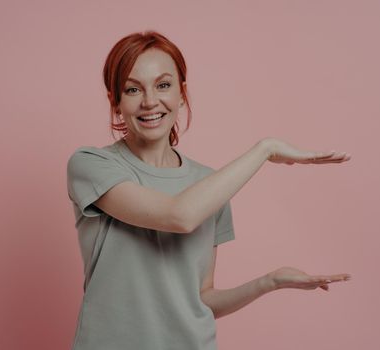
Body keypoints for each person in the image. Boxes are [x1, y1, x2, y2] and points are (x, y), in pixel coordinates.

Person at [66, 30, 352, 350]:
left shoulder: (209, 185)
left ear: (182, 93)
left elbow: (202, 299)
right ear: (115, 102)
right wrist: (265, 149)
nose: (150, 101)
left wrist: (271, 282)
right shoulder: (91, 165)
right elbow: (179, 216)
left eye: (163, 85)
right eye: (133, 89)